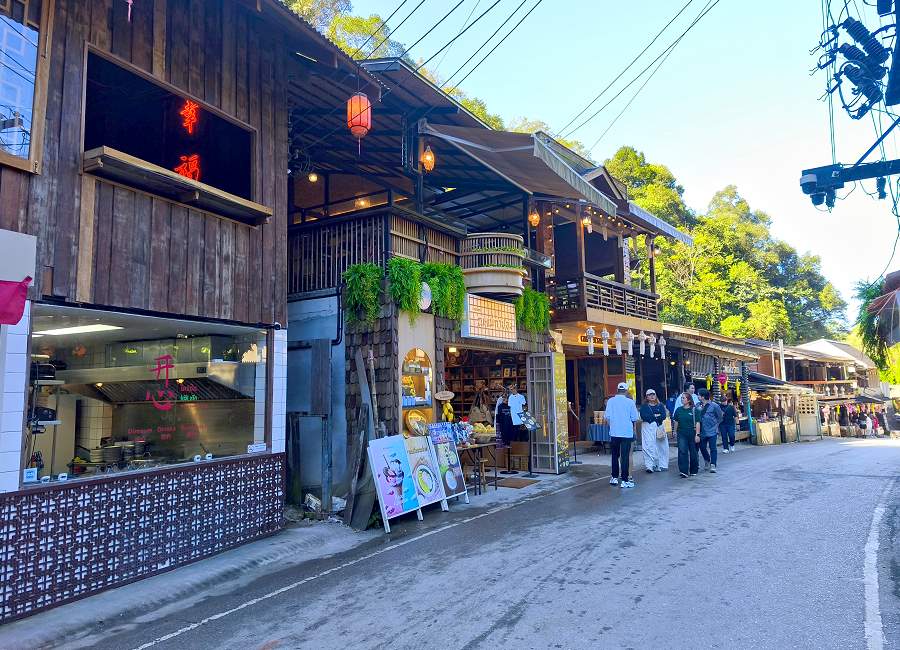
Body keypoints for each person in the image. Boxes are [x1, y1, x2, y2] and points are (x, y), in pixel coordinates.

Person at [605, 382, 640, 488]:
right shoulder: (630, 402)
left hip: (615, 432)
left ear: (617, 390)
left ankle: (614, 477)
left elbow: (607, 417)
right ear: (626, 390)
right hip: (626, 433)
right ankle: (625, 479)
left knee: (615, 455)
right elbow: (634, 418)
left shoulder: (610, 401)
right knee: (625, 456)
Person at [640, 389, 669, 473]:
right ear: (647, 397)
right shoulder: (644, 407)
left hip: (659, 427)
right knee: (648, 445)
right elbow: (644, 416)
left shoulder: (660, 406)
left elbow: (663, 416)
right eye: (649, 395)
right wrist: (655, 416)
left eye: (653, 394)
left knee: (662, 446)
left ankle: (661, 464)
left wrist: (654, 417)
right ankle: (649, 465)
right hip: (648, 428)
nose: (652, 396)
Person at [672, 392, 700, 478]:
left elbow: (698, 422)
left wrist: (697, 434)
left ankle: (693, 469)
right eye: (681, 398)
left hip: (692, 432)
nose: (682, 399)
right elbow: (676, 421)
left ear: (688, 400)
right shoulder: (679, 410)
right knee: (682, 451)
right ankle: (683, 470)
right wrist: (675, 431)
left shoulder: (694, 410)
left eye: (684, 398)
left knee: (693, 452)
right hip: (682, 433)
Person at [697, 389, 723, 472]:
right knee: (702, 447)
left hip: (712, 431)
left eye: (698, 395)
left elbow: (720, 417)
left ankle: (713, 464)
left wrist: (716, 426)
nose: (697, 396)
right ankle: (707, 459)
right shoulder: (697, 405)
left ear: (703, 396)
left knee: (713, 448)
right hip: (702, 431)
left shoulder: (714, 406)